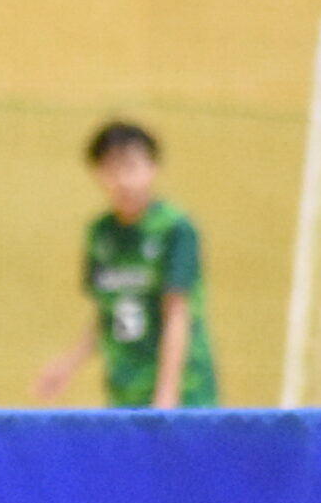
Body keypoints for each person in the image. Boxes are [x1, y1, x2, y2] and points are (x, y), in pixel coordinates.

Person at [36, 120, 219, 409]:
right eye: (111, 169)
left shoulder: (174, 229)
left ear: (152, 168)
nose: (123, 180)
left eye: (131, 167)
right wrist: (68, 365)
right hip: (124, 392)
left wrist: (167, 395)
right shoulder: (100, 233)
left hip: (182, 395)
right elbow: (109, 311)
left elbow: (177, 313)